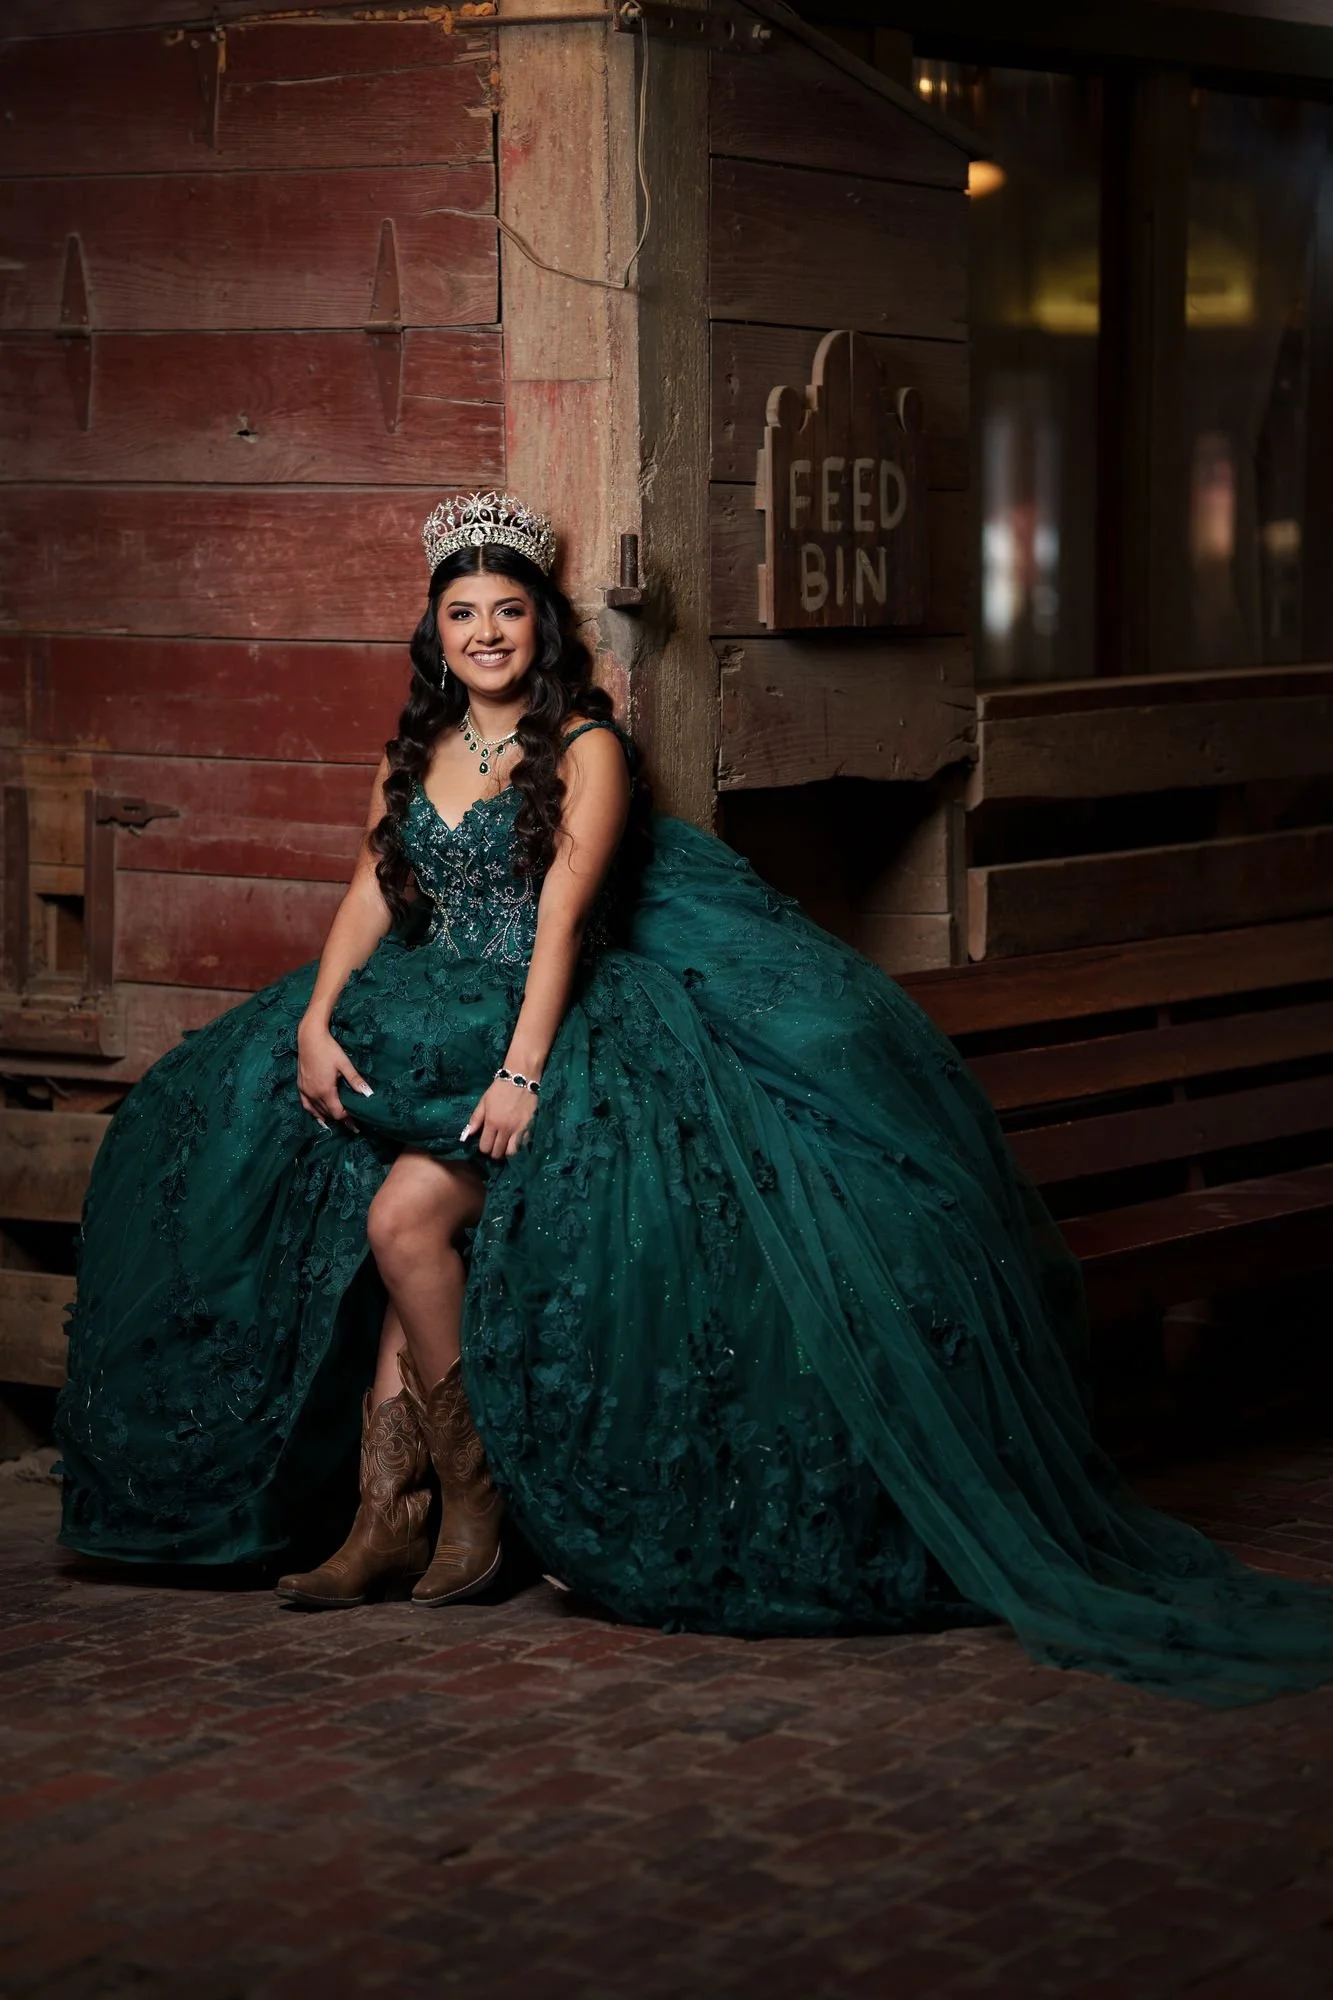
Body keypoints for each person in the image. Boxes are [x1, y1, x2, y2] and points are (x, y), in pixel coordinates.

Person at [58, 492, 1333, 1706]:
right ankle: (387, 1517)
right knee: (301, 1179)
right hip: (418, 1015)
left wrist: (520, 1071)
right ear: (435, 632)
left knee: (402, 1219)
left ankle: (475, 1501)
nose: (486, 632)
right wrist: (316, 1020)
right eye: (462, 614)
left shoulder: (589, 745)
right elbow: (371, 894)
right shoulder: (420, 749)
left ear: (539, 625)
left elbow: (560, 917)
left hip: (555, 1030)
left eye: (508, 609)